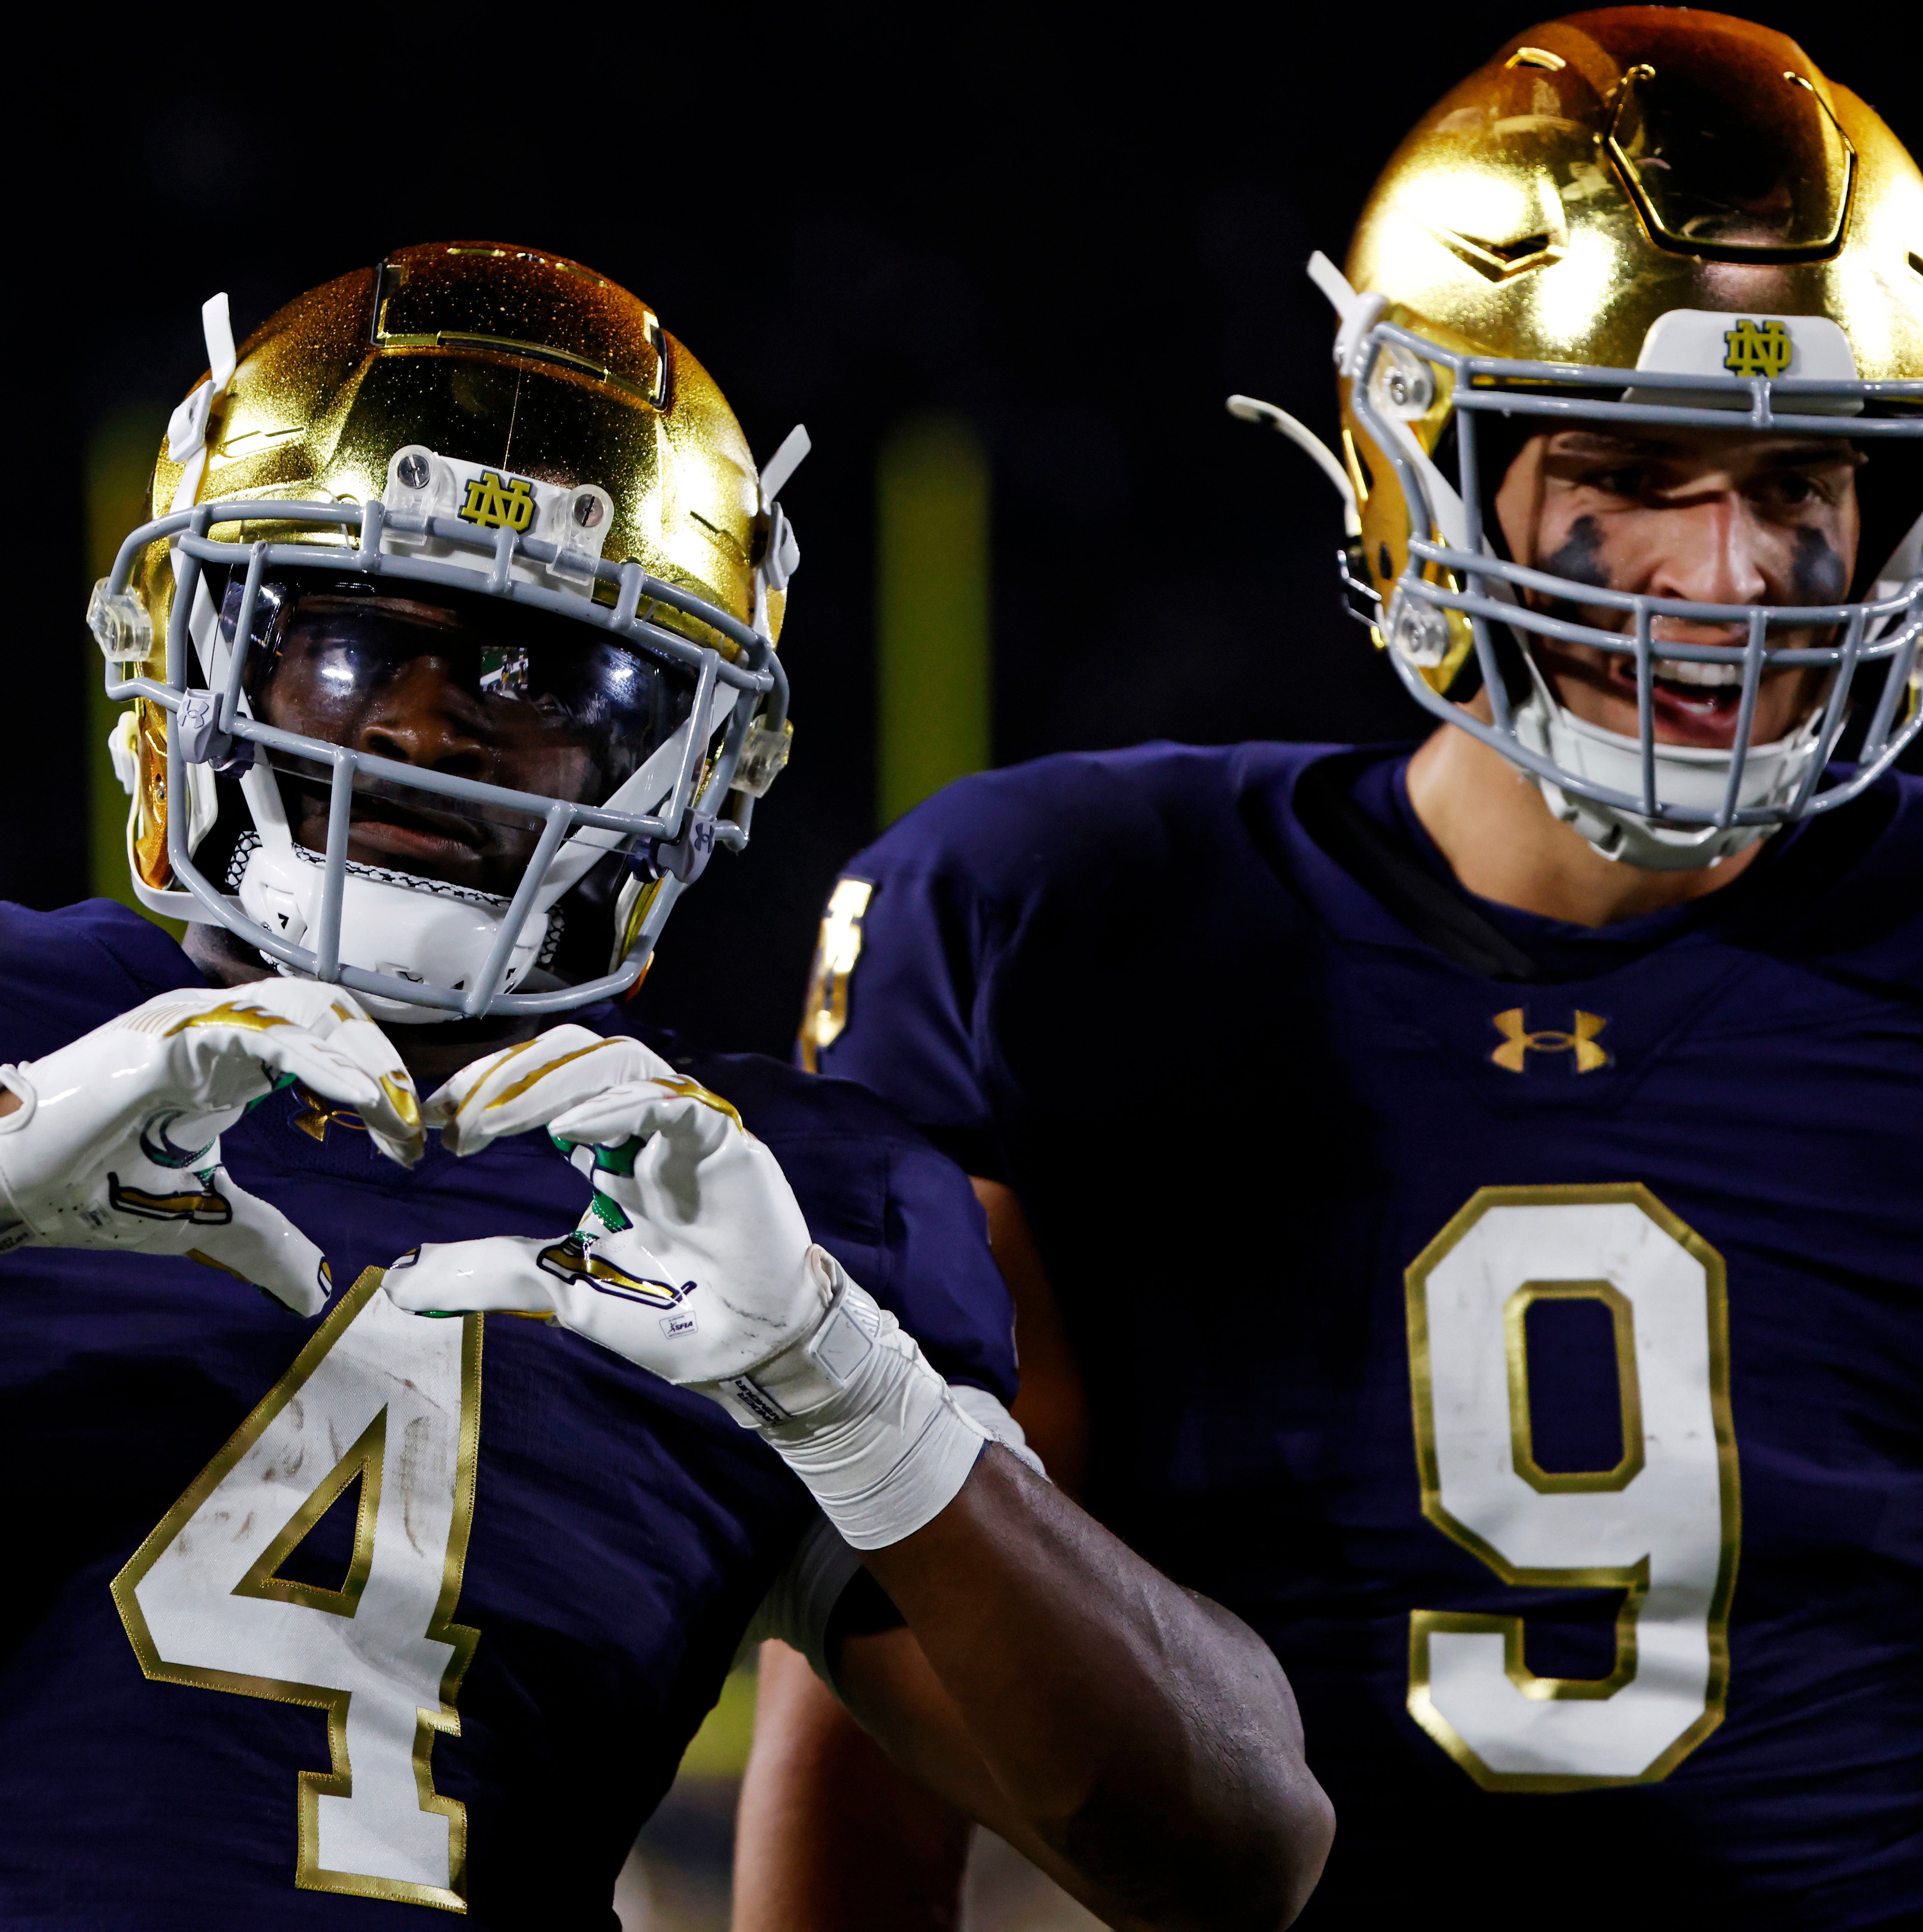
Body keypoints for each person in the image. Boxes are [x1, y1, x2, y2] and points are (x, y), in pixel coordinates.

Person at [0, 244, 1328, 1930]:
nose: (422, 718)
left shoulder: (773, 1203)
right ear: (197, 653)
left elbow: (1232, 1852)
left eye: (534, 672)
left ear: (681, 759)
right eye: (342, 631)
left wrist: (859, 1401)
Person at [748, 11, 1923, 1928]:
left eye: (1805, 480)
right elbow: (891, 1666)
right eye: (1630, 470)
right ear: (1424, 465)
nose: (1733, 577)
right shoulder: (1072, 918)